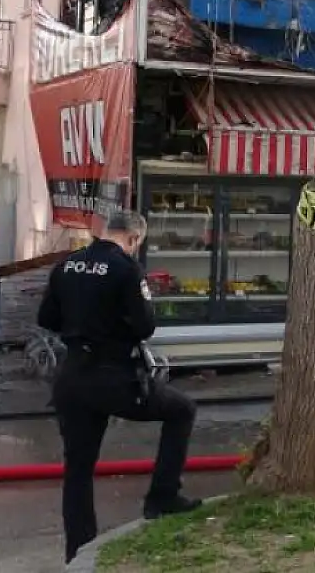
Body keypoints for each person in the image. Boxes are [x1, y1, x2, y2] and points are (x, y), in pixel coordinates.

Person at [37, 211, 200, 563]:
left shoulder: (68, 265)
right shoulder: (126, 269)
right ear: (134, 239)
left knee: (78, 468)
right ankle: (162, 497)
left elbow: (46, 318)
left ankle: (78, 553)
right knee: (181, 411)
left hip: (72, 377)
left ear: (106, 231)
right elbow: (144, 327)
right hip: (113, 377)